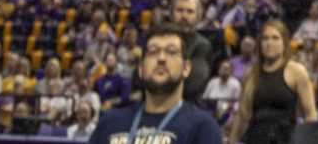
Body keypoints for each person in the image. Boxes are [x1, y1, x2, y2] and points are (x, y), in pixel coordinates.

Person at [91, 31, 224, 144]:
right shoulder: (108, 123)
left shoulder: (203, 127)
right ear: (141, 69)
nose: (161, 58)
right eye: (153, 52)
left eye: (171, 52)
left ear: (186, 68)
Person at [236, 18, 318, 144]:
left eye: (275, 38)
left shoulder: (297, 72)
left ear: (284, 42)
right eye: (265, 38)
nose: (269, 43)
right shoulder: (251, 74)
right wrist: (232, 140)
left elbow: (310, 114)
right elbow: (242, 114)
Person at [175, 0, 221, 106]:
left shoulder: (203, 46)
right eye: (179, 10)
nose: (184, 16)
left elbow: (191, 86)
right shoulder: (161, 39)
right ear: (172, 13)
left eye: (189, 12)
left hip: (186, 106)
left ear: (198, 17)